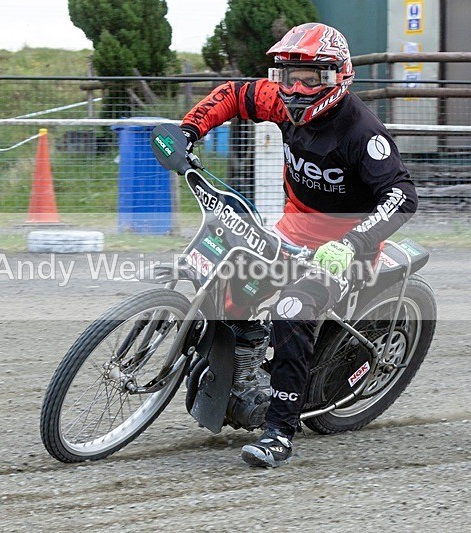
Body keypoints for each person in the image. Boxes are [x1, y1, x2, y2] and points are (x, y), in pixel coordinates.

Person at [179, 22, 418, 467]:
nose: (296, 88)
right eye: (288, 76)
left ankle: (278, 433)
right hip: (291, 231)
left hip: (348, 251)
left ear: (337, 76)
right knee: (227, 280)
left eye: (311, 77)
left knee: (292, 309)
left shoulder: (362, 133)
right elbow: (233, 94)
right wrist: (189, 130)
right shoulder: (283, 103)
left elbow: (403, 195)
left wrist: (352, 243)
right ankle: (244, 372)